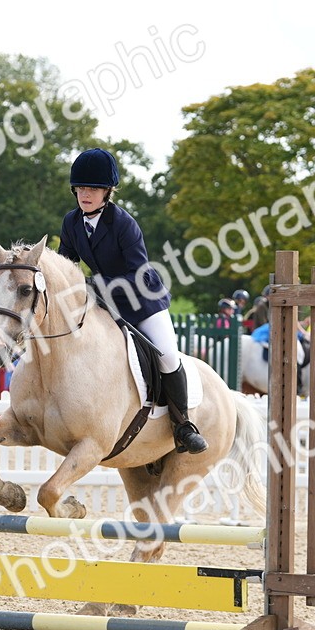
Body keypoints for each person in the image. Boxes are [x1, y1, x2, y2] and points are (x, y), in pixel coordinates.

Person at [58, 147, 206, 453]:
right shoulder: (71, 223)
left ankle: (183, 425)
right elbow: (65, 265)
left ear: (107, 191)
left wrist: (94, 285)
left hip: (141, 298)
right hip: (105, 300)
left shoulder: (123, 223)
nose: (86, 194)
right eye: (81, 188)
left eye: (94, 188)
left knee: (166, 355)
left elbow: (137, 275)